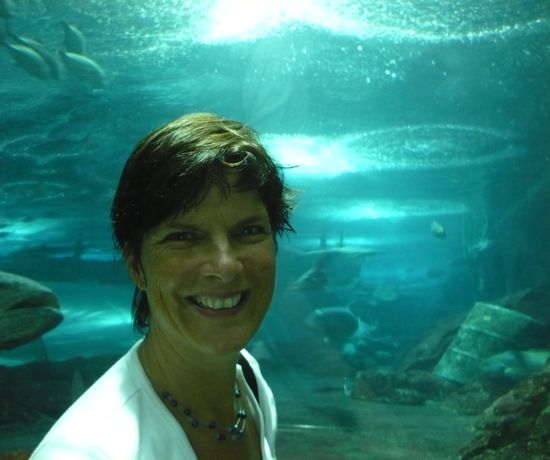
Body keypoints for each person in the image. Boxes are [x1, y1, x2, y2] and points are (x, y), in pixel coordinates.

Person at [30, 112, 295, 460]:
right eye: (183, 236)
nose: (225, 266)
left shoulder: (247, 380)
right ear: (136, 265)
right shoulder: (87, 451)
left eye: (248, 231)